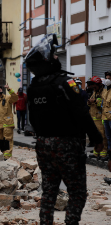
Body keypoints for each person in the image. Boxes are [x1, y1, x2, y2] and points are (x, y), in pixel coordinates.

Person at [25, 33, 104, 225]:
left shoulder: (33, 87)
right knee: (77, 193)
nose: (55, 58)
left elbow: (33, 120)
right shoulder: (65, 83)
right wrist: (97, 139)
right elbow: (82, 113)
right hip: (67, 145)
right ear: (46, 62)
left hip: (43, 145)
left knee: (49, 191)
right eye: (53, 55)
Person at [0, 82, 18, 159]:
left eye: (0, 87)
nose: (0, 89)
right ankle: (4, 153)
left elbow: (15, 98)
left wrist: (9, 89)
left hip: (7, 123)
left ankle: (7, 157)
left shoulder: (7, 98)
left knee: (8, 140)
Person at [87, 76, 108, 161]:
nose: (92, 87)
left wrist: (95, 101)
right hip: (94, 118)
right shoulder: (94, 92)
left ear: (99, 85)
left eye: (94, 85)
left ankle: (103, 153)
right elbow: (90, 104)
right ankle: (96, 153)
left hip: (100, 118)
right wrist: (89, 102)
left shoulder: (104, 92)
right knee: (96, 136)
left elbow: (103, 105)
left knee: (102, 136)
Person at [102, 70, 111, 184]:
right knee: (108, 138)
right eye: (106, 77)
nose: (107, 79)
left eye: (109, 78)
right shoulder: (106, 89)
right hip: (106, 117)